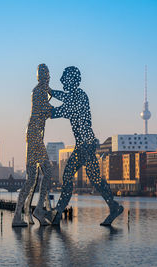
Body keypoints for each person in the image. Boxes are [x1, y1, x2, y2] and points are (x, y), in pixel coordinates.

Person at [50, 66, 123, 226]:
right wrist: (51, 93)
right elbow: (64, 98)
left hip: (85, 144)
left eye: (64, 78)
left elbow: (63, 110)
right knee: (95, 179)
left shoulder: (79, 96)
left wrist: (45, 109)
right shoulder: (76, 95)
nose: (62, 80)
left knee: (68, 176)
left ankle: (57, 213)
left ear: (72, 80)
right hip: (85, 144)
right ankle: (114, 206)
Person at [12, 64, 53, 227]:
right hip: (35, 136)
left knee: (32, 179)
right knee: (45, 173)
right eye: (46, 75)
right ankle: (37, 211)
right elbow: (47, 110)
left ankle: (21, 214)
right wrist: (67, 110)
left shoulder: (41, 90)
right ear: (43, 77)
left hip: (34, 135)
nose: (48, 78)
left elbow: (47, 103)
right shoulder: (39, 91)